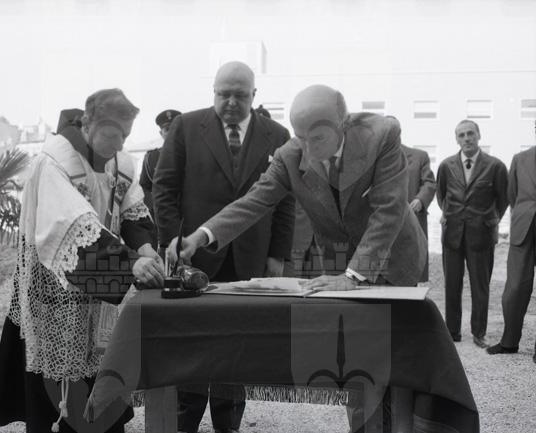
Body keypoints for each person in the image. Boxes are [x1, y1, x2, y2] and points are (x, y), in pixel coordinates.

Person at [169, 84, 427, 432]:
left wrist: (354, 276)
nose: (307, 149)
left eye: (316, 138)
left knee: (396, 357)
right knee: (357, 357)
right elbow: (254, 201)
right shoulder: (290, 154)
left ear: (344, 124)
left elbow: (389, 210)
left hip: (393, 255)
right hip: (338, 262)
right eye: (300, 137)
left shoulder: (382, 135)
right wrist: (200, 237)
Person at [0, 89, 164, 433]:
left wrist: (143, 247)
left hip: (99, 287)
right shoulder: (54, 161)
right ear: (87, 124)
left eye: (125, 136)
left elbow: (131, 210)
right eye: (112, 135)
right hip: (54, 287)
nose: (119, 144)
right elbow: (69, 226)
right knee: (56, 386)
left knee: (102, 367)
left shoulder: (120, 161)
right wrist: (128, 264)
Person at [152, 61, 294, 433]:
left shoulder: (277, 134)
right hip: (193, 257)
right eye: (223, 94)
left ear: (254, 95)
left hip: (250, 256)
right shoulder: (186, 127)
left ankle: (228, 423)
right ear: (213, 92)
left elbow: (286, 201)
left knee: (237, 344)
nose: (231, 102)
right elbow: (164, 189)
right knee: (192, 343)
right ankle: (185, 420)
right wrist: (171, 239)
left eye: (240, 95)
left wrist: (277, 254)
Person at [436, 120, 508, 348]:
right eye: (461, 135)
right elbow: (441, 196)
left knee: (480, 286)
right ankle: (452, 332)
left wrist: (488, 220)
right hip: (452, 234)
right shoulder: (446, 165)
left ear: (478, 135)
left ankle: (479, 333)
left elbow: (503, 199)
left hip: (482, 235)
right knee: (452, 285)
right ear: (456, 139)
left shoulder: (495, 166)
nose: (466, 138)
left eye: (470, 133)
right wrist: (452, 215)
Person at [487, 145, 536, 363]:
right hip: (523, 228)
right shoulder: (520, 158)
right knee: (515, 288)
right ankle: (509, 342)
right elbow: (512, 195)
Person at [139, 109, 181, 247]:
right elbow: (144, 187)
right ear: (161, 133)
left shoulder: (195, 155)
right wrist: (157, 209)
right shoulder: (151, 158)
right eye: (167, 129)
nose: (172, 132)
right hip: (163, 220)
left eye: (175, 128)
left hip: (191, 220)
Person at [401, 143, 436, 282]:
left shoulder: (419, 156)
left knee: (410, 271)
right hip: (383, 223)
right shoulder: (372, 157)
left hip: (411, 219)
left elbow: (429, 183)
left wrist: (420, 199)